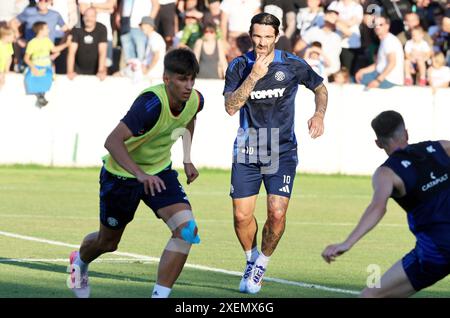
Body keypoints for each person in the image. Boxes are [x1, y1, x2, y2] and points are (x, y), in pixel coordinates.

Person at [68, 48, 204, 298]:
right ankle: (79, 262)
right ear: (167, 79)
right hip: (120, 175)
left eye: (192, 79)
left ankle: (159, 295)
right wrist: (140, 175)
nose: (188, 85)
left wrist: (187, 159)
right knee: (107, 243)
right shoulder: (150, 104)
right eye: (182, 79)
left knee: (187, 230)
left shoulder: (195, 99)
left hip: (160, 173)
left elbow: (189, 120)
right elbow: (112, 142)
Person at [223, 12, 328, 294]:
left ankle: (261, 266)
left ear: (276, 37)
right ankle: (250, 259)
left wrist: (318, 114)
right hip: (248, 147)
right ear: (250, 35)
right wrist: (254, 77)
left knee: (277, 213)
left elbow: (320, 87)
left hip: (282, 149)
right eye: (257, 36)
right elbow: (231, 107)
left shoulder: (292, 64)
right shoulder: (238, 66)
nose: (262, 42)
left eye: (268, 37)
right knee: (241, 216)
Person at [322, 110, 450, 298]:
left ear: (378, 143)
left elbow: (378, 207)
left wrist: (347, 243)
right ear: (406, 133)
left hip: (437, 252)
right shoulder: (442, 147)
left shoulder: (386, 173)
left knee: (370, 296)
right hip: (437, 250)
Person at [24, 21, 71, 107]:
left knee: (47, 77)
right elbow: (26, 58)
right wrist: (33, 68)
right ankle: (39, 96)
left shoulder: (47, 41)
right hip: (36, 66)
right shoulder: (32, 43)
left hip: (46, 66)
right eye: (46, 28)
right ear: (40, 30)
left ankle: (42, 95)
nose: (49, 30)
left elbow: (54, 49)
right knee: (31, 78)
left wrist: (66, 44)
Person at [355, 15, 404, 89]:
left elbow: (392, 63)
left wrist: (378, 80)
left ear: (387, 26)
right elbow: (378, 64)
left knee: (354, 80)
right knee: (358, 76)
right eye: (375, 25)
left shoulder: (389, 41)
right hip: (381, 75)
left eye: (381, 25)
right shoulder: (384, 40)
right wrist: (362, 71)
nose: (377, 27)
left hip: (390, 79)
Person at [66, 7, 107, 80]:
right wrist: (70, 71)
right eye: (86, 16)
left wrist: (100, 70)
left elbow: (102, 52)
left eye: (92, 16)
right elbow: (71, 52)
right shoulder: (77, 28)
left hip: (96, 68)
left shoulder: (102, 29)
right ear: (83, 17)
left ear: (95, 17)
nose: (89, 19)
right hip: (78, 68)